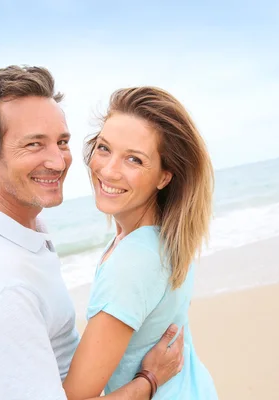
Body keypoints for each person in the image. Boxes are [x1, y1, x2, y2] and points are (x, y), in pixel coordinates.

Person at [0, 65, 184, 400]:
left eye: (62, 142)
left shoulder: (7, 227)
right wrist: (149, 381)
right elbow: (2, 307)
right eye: (34, 144)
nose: (58, 162)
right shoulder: (5, 288)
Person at [58, 86, 218, 399]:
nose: (108, 170)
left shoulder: (134, 261)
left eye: (134, 159)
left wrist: (149, 381)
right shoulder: (162, 238)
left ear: (164, 177)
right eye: (104, 148)